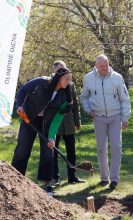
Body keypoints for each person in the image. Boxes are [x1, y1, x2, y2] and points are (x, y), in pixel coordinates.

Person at [11, 67, 72, 196]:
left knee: (48, 152)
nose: (69, 81)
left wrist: (51, 137)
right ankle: (14, 181)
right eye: (67, 78)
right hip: (29, 118)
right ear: (59, 77)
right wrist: (20, 105)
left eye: (70, 79)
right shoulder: (41, 82)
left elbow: (57, 119)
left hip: (47, 123)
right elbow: (23, 90)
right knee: (22, 149)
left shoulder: (64, 96)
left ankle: (47, 186)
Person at [80, 54, 131, 190]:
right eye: (101, 66)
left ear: (109, 64)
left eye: (106, 65)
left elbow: (125, 99)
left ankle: (114, 179)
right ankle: (104, 178)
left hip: (116, 116)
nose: (104, 68)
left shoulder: (117, 78)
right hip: (98, 118)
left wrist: (125, 118)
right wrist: (89, 110)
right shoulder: (88, 78)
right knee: (101, 148)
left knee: (116, 147)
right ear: (96, 67)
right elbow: (84, 97)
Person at [51, 61, 84, 185]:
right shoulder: (50, 84)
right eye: (59, 70)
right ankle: (56, 178)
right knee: (53, 151)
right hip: (55, 124)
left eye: (64, 69)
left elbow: (75, 103)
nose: (63, 73)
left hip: (69, 123)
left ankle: (72, 176)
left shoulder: (71, 85)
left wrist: (77, 120)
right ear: (54, 70)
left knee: (71, 151)